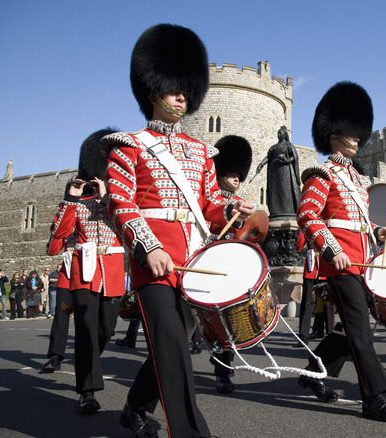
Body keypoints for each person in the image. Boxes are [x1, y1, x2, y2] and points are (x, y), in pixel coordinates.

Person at [105, 23, 251, 437]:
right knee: (171, 344)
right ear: (153, 89)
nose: (183, 95)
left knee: (168, 347)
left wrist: (231, 209)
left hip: (192, 259)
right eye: (174, 87)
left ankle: (134, 407)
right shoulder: (127, 146)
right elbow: (120, 204)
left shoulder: (204, 152)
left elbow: (207, 205)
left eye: (187, 87)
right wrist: (147, 247)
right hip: (152, 260)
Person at [296, 81, 386, 422]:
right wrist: (330, 251)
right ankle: (373, 397)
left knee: (355, 328)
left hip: (361, 261)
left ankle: (313, 373)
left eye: (359, 133)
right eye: (351, 133)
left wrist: (376, 231)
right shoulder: (322, 174)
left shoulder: (357, 179)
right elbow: (308, 217)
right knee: (359, 330)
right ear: (333, 134)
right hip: (340, 264)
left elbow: (356, 221)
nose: (358, 139)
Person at [49, 128, 125, 414]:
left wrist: (108, 199)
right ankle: (87, 391)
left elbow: (127, 228)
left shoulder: (118, 200)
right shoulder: (76, 203)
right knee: (85, 330)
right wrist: (71, 199)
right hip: (84, 274)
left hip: (113, 274)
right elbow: (56, 241)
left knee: (105, 329)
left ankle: (86, 362)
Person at [206, 134, 257, 394]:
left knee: (225, 323)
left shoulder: (238, 203)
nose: (237, 178)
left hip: (227, 266)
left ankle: (223, 370)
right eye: (231, 173)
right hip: (204, 262)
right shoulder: (210, 197)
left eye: (239, 174)